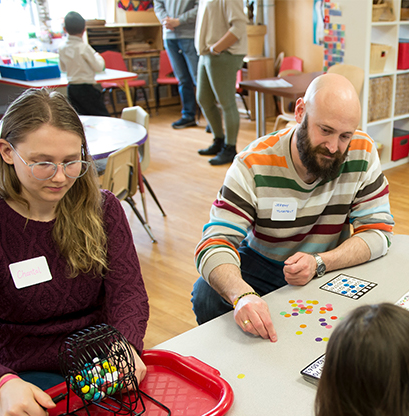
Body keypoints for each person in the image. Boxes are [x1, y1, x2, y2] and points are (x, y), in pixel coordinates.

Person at [0, 89, 150, 416]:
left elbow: (128, 293)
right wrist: (2, 382)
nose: (60, 177)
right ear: (7, 152)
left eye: (72, 161)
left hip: (101, 357)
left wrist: (125, 345)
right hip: (24, 373)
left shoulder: (103, 208)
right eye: (42, 163)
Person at [191, 73, 395, 341]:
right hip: (263, 262)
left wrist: (321, 262)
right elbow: (214, 243)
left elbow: (379, 231)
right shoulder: (252, 164)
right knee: (206, 295)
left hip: (328, 259)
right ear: (300, 112)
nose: (334, 147)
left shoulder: (362, 151)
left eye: (345, 135)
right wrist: (242, 295)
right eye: (325, 130)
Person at [194, 0, 247, 165]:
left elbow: (239, 27)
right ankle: (219, 140)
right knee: (203, 98)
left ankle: (230, 148)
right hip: (207, 54)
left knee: (227, 102)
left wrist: (217, 48)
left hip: (223, 54)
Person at [154, 0, 200, 129]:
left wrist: (179, 20)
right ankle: (188, 115)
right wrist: (165, 20)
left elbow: (201, 7)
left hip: (189, 35)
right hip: (169, 36)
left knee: (198, 78)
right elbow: (158, 4)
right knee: (182, 79)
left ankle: (211, 119)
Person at [58, 11, 111, 117]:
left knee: (81, 119)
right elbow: (99, 67)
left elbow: (63, 68)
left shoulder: (62, 47)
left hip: (72, 89)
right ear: (84, 30)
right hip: (87, 89)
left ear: (64, 29)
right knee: (103, 117)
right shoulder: (84, 48)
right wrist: (97, 56)